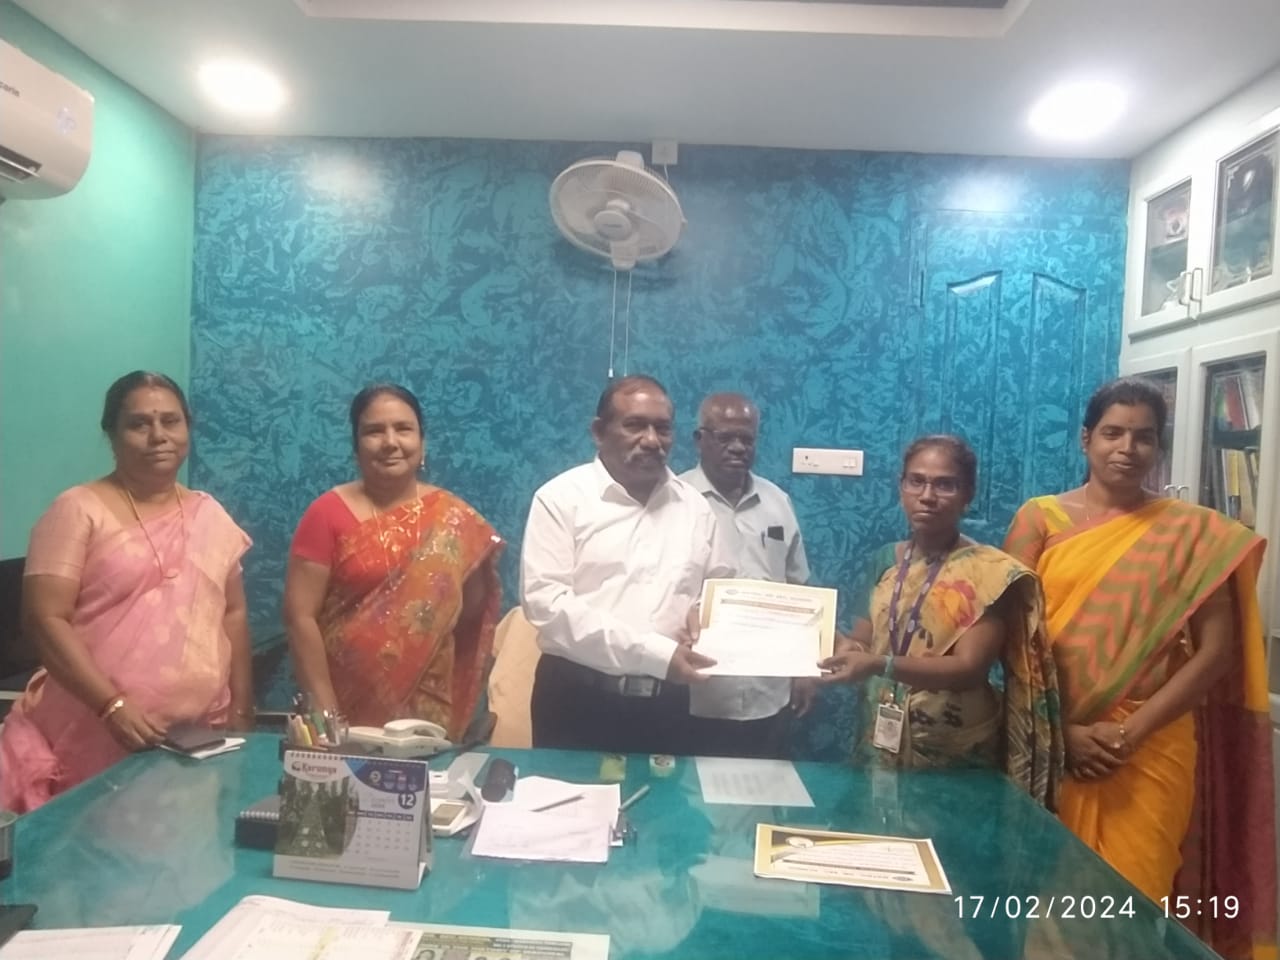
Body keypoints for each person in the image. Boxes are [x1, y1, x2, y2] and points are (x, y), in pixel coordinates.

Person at [1004, 377, 1275, 958]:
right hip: (1054, 743)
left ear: (1159, 447)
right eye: (1113, 433)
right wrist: (1064, 734)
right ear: (1086, 439)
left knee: (1133, 903)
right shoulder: (1038, 519)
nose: (1127, 448)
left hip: (1151, 747)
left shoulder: (1194, 534)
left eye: (1144, 437)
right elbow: (1011, 640)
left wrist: (1129, 732)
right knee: (1047, 899)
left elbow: (1216, 653)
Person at [0, 371, 253, 813]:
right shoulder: (78, 510)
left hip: (191, 741)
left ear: (188, 428)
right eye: (139, 424)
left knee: (180, 852)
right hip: (90, 732)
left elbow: (232, 612)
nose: (158, 436)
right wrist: (111, 705)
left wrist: (242, 707)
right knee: (86, 852)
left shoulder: (210, 515)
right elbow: (43, 619)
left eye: (170, 421)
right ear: (112, 435)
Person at [819, 435, 1062, 807]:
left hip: (955, 750)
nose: (927, 496)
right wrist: (843, 646)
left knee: (951, 837)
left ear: (968, 494)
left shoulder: (987, 573)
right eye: (916, 481)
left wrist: (878, 664)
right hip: (880, 738)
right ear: (901, 487)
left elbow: (968, 668)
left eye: (944, 484)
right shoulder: (884, 560)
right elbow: (866, 640)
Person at [521, 375, 734, 755]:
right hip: (578, 702)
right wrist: (655, 654)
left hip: (669, 706)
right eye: (635, 425)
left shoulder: (696, 508)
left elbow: (719, 588)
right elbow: (546, 604)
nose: (651, 440)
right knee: (567, 796)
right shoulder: (560, 499)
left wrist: (703, 617)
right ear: (599, 432)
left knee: (665, 796)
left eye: (663, 428)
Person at [283, 383, 503, 740]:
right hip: (343, 710)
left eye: (403, 429)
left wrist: (421, 641)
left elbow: (473, 610)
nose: (390, 442)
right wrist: (325, 714)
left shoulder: (453, 518)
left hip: (427, 712)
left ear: (422, 443)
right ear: (356, 446)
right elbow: (299, 617)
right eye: (374, 431)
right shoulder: (325, 513)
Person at [678, 392, 809, 758]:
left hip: (768, 692)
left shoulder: (778, 502)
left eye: (746, 438)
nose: (738, 447)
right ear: (700, 439)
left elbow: (798, 589)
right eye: (725, 437)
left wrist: (805, 669)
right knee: (688, 791)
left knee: (763, 785)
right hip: (694, 694)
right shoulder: (674, 501)